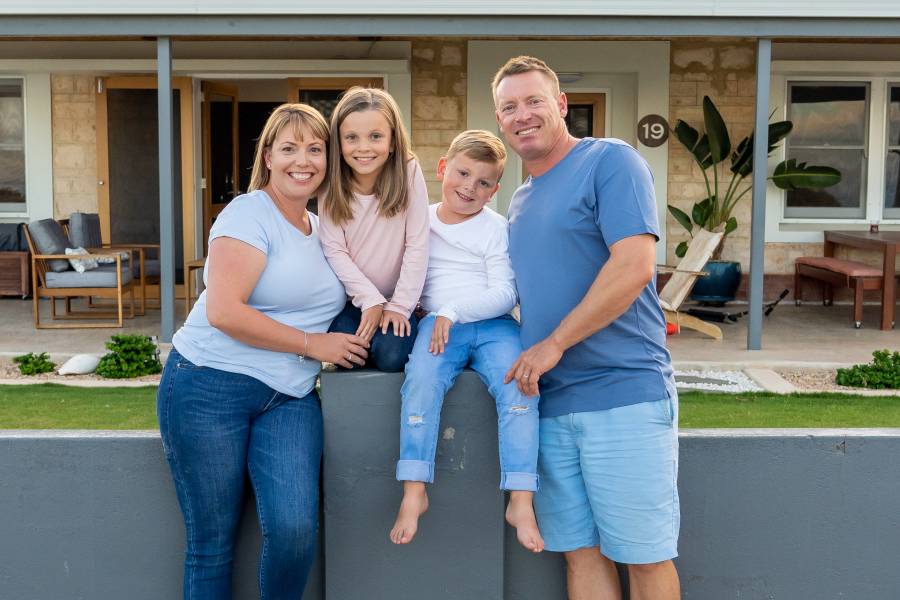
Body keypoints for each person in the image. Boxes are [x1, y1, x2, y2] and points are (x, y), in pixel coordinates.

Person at [158, 103, 369, 599]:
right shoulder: (249, 212)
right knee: (211, 545)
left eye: (316, 149)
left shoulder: (325, 229)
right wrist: (312, 345)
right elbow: (225, 312)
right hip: (209, 384)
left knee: (295, 532)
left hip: (290, 398)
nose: (304, 160)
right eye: (290, 147)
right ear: (268, 156)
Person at [494, 56, 681, 600]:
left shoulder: (610, 161)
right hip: (550, 405)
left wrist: (555, 343)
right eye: (509, 107)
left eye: (533, 101)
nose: (522, 115)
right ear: (500, 121)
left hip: (624, 394)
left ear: (562, 105)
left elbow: (634, 265)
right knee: (580, 553)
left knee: (644, 556)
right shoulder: (520, 201)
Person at [389, 130, 544, 553]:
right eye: (462, 173)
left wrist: (451, 311)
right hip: (437, 329)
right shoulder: (419, 218)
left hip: (492, 324)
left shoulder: (496, 230)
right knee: (421, 380)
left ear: (495, 191)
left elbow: (505, 292)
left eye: (483, 182)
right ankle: (414, 489)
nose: (469, 187)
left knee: (519, 386)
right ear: (443, 169)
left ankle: (521, 497)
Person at [318, 87, 430, 372]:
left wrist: (400, 306)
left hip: (397, 298)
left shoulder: (409, 171)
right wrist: (369, 299)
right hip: (353, 299)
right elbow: (334, 249)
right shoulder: (331, 183)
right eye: (351, 138)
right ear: (339, 144)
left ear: (393, 141)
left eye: (376, 136)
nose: (363, 147)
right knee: (347, 355)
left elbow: (417, 244)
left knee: (392, 357)